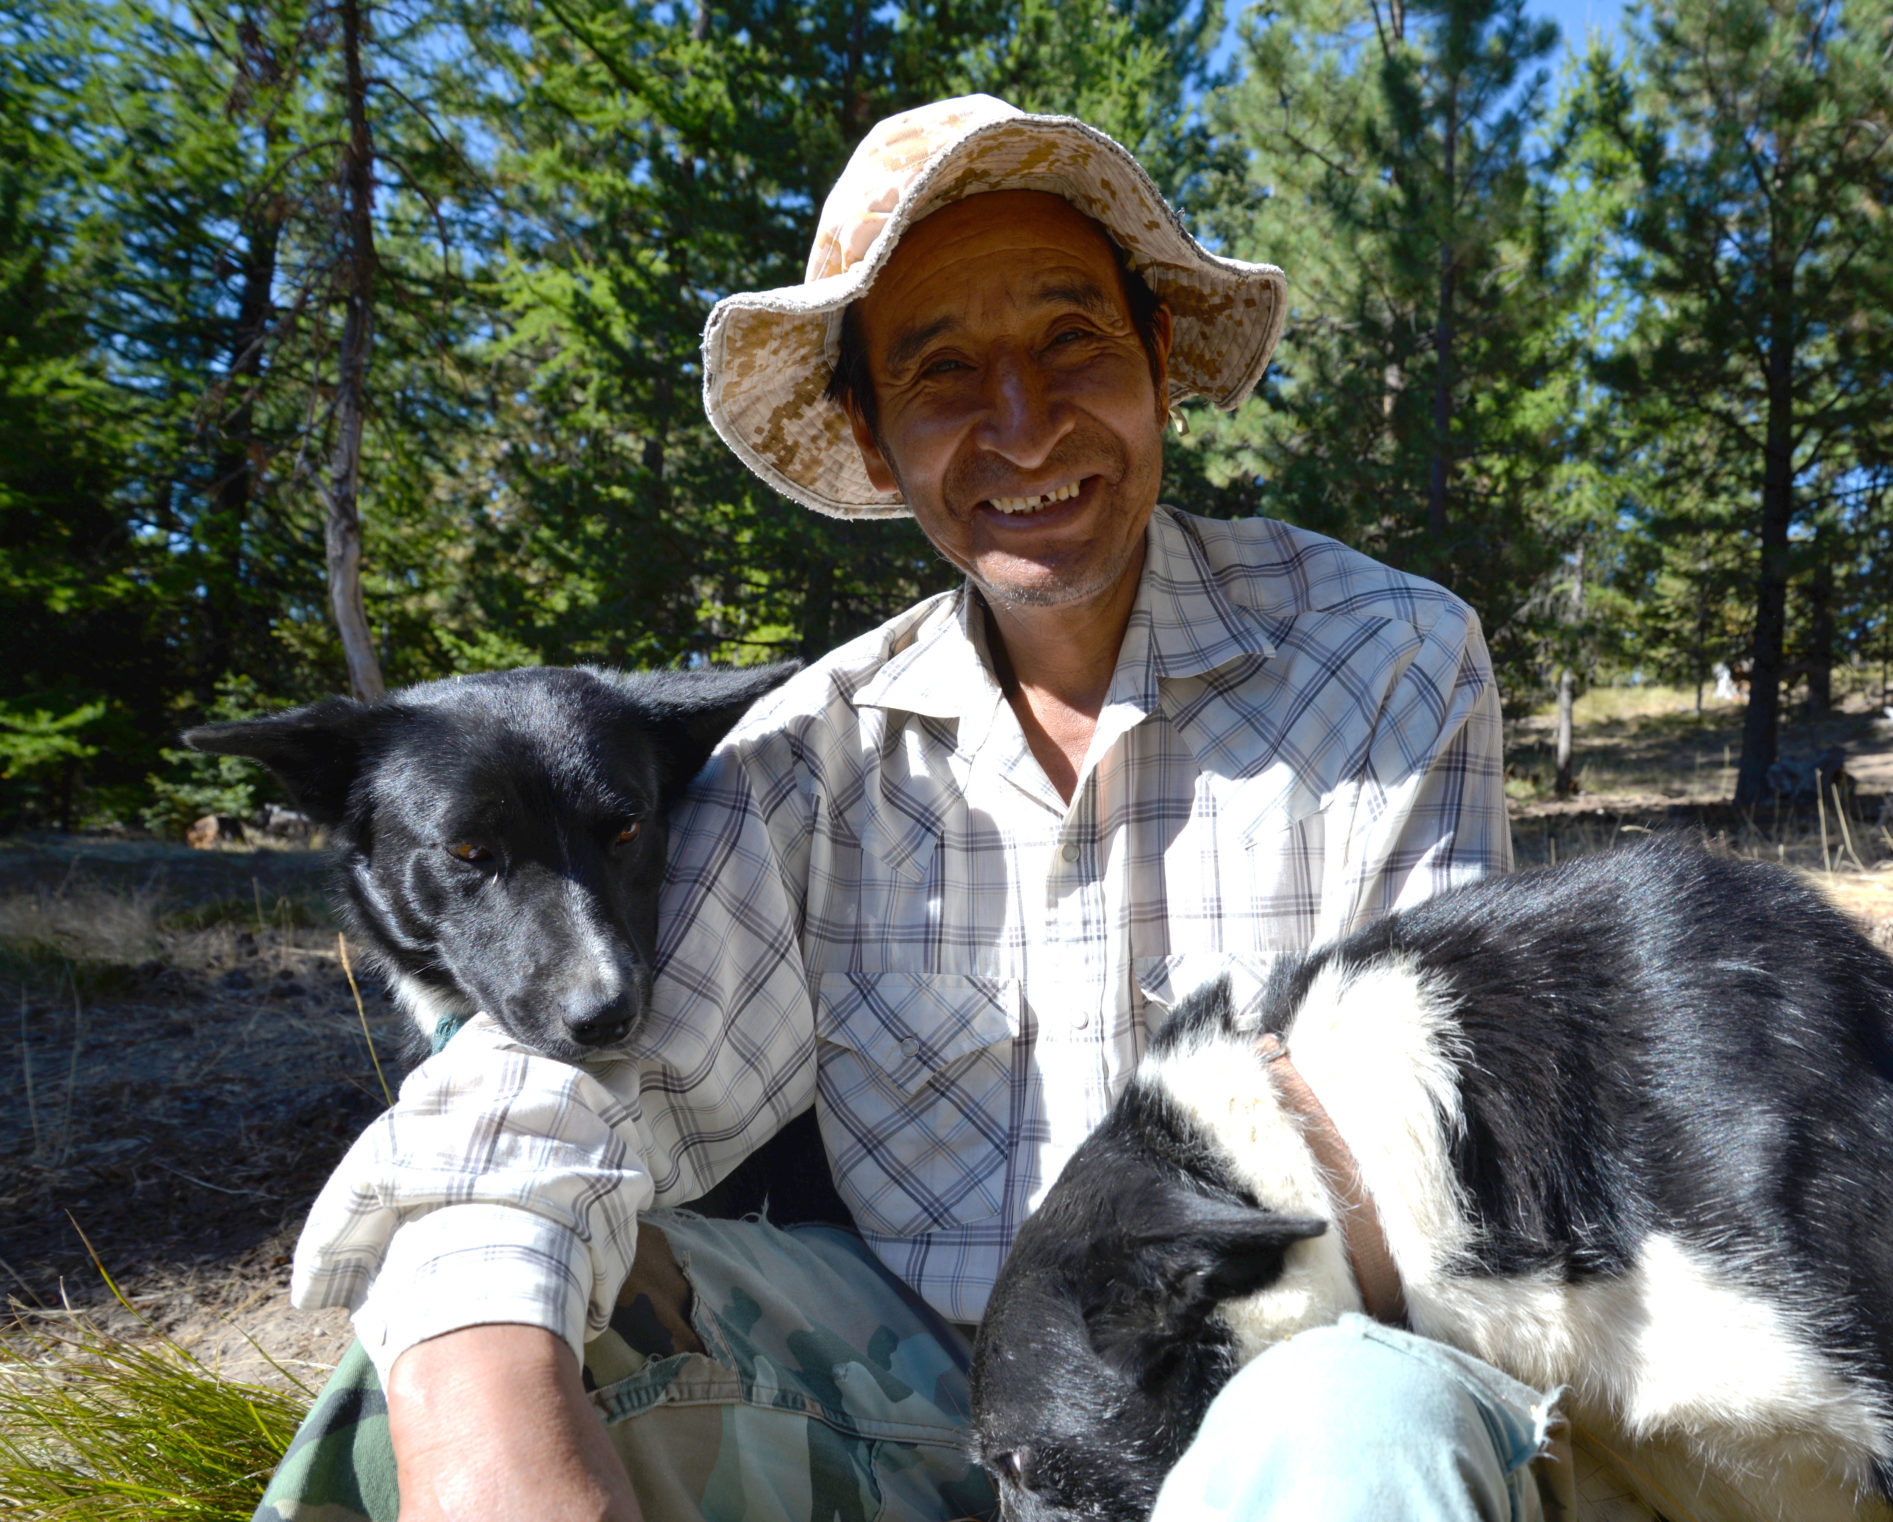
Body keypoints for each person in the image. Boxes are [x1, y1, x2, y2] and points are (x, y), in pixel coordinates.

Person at [255, 94, 1551, 1522]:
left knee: (1369, 1422)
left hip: (1280, 1379)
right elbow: (586, 1097)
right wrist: (478, 1392)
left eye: (1073, 340)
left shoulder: (1386, 662)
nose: (1022, 421)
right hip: (924, 1407)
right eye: (940, 373)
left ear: (1162, 361)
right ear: (871, 442)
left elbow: (1441, 1153)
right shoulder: (819, 752)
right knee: (455, 1347)